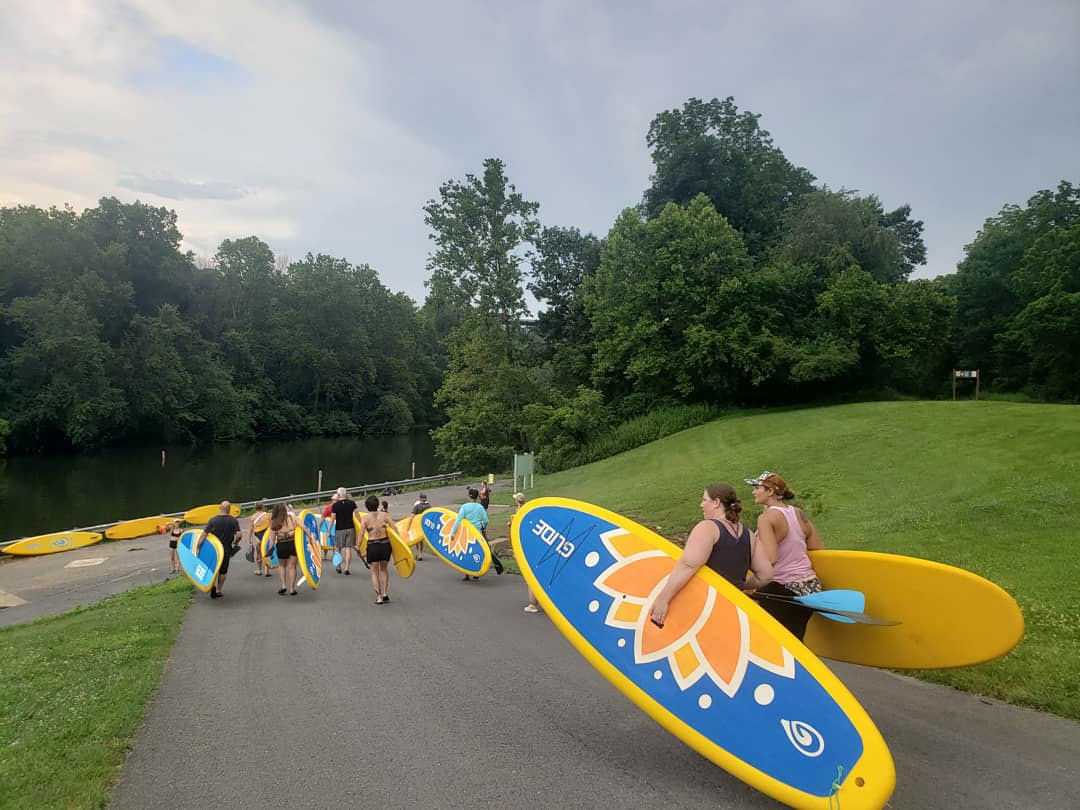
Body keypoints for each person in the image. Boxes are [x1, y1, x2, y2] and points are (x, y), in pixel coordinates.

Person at [648, 484, 773, 628]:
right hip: (734, 611)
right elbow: (766, 575)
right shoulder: (749, 535)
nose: (701, 505)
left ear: (716, 502)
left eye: (704, 500)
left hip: (703, 611)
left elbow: (687, 565)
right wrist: (739, 586)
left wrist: (663, 600)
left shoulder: (707, 528)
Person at [745, 471, 825, 640]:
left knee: (776, 645)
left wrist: (745, 583)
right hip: (811, 588)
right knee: (796, 641)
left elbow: (770, 559)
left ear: (770, 491)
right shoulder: (798, 513)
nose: (753, 492)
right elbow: (817, 549)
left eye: (757, 488)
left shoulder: (766, 518)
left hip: (782, 590)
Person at [265, 503, 316, 596]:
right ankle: (292, 589)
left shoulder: (273, 522)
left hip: (281, 545)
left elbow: (272, 539)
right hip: (293, 544)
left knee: (281, 566)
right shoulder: (292, 517)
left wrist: (270, 550)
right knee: (292, 566)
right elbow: (304, 527)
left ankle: (283, 586)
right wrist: (310, 538)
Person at [452, 487, 502, 579]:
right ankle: (476, 572)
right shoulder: (480, 507)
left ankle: (467, 574)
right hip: (478, 533)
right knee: (476, 552)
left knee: (466, 553)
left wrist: (453, 533)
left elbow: (458, 520)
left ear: (469, 496)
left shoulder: (464, 507)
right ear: (476, 497)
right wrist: (483, 526)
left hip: (467, 533)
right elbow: (486, 520)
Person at [196, 502, 242, 599]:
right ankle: (218, 590)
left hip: (214, 549)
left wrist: (198, 547)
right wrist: (235, 542)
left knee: (213, 568)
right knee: (223, 571)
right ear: (229, 509)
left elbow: (204, 535)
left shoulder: (213, 520)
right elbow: (239, 535)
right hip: (226, 548)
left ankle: (212, 586)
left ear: (220, 508)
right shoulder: (233, 521)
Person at [359, 495, 394, 604]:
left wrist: (357, 546)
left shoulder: (365, 518)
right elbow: (394, 528)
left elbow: (361, 534)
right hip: (385, 544)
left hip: (373, 545)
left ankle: (379, 597)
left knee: (374, 572)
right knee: (383, 569)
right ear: (378, 504)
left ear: (366, 507)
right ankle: (385, 593)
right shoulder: (385, 515)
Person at [510, 492, 540, 613]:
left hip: (525, 546)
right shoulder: (527, 511)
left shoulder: (521, 513)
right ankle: (538, 600)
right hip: (531, 545)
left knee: (530, 576)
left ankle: (532, 604)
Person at [331, 487, 358, 575]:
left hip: (339, 529)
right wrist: (362, 524)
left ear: (338, 495)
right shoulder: (352, 503)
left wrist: (329, 530)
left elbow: (332, 519)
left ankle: (339, 566)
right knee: (348, 548)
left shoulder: (335, 505)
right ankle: (346, 568)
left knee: (338, 548)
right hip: (350, 528)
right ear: (345, 494)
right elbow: (357, 515)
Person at [247, 500, 271, 577]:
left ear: (255, 508)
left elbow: (250, 529)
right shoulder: (267, 515)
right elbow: (271, 527)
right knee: (267, 552)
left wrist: (249, 539)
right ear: (263, 507)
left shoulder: (253, 517)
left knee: (259, 553)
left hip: (258, 535)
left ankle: (259, 570)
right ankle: (267, 570)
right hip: (266, 535)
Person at [407, 493, 429, 560]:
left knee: (417, 540)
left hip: (418, 525)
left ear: (420, 498)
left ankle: (419, 554)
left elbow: (411, 516)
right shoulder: (429, 506)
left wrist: (408, 526)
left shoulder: (417, 506)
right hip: (426, 525)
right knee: (421, 540)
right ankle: (419, 553)